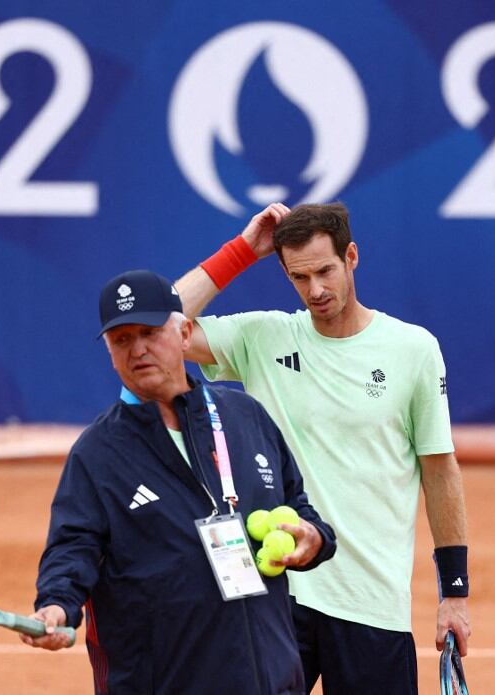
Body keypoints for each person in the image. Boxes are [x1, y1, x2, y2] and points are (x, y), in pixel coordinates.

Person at [173, 202, 470, 694]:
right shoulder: (263, 337)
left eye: (325, 271)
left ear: (351, 257)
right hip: (275, 596)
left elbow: (440, 471)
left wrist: (455, 593)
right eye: (299, 277)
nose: (315, 290)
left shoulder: (413, 349)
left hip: (371, 602)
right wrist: (241, 251)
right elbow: (161, 326)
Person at [21, 269, 337, 695]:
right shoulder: (97, 453)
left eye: (150, 333)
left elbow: (298, 505)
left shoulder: (246, 417)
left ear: (185, 333)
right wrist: (56, 604)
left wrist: (314, 538)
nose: (138, 349)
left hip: (270, 681)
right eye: (122, 340)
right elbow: (73, 546)